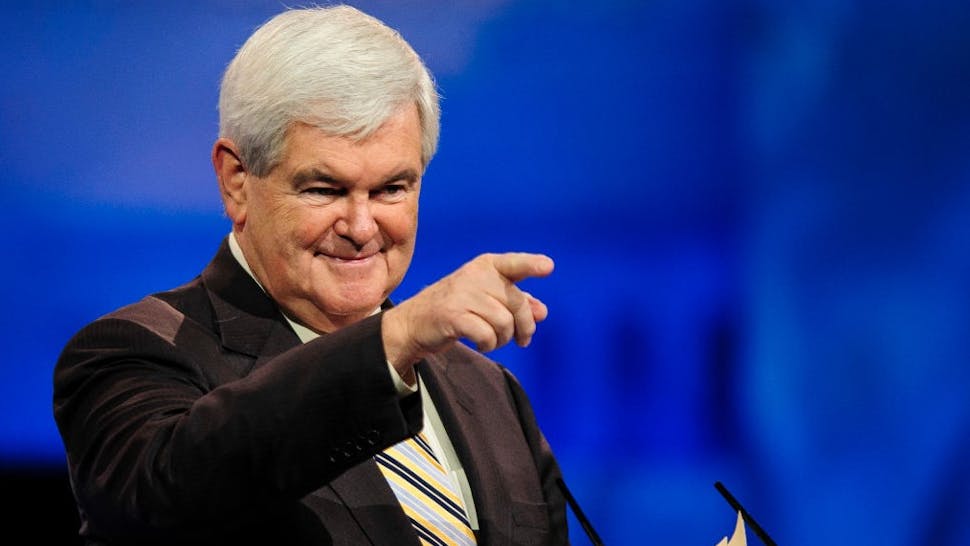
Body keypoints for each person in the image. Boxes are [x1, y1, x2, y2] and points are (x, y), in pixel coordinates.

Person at [52, 5, 570, 546]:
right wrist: (389, 344)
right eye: (324, 190)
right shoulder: (133, 353)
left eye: (392, 189)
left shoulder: (488, 390)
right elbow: (163, 494)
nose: (362, 226)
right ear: (235, 179)